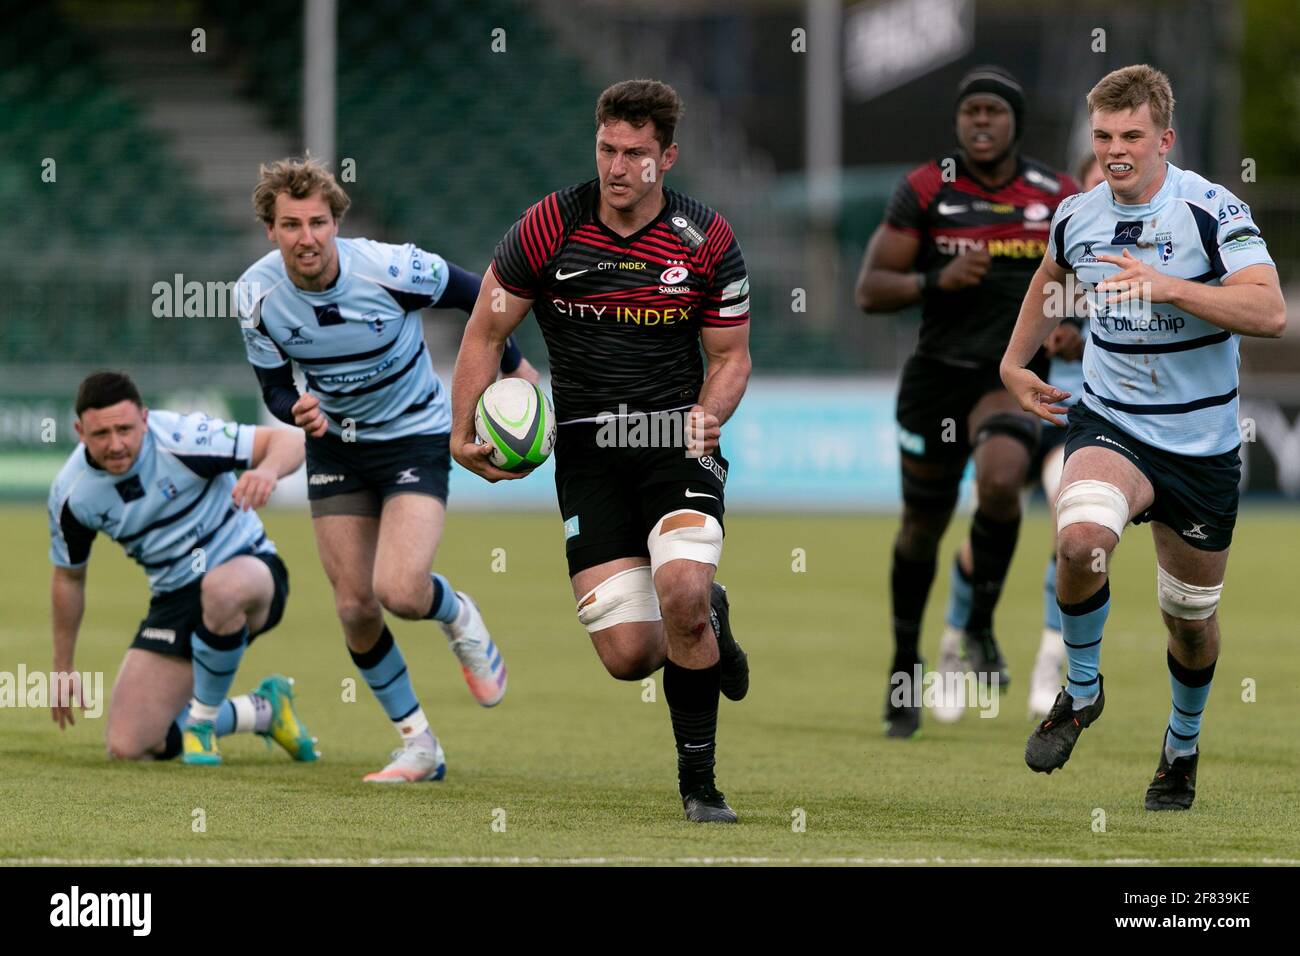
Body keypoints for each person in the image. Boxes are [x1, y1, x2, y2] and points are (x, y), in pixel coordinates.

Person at [450, 79, 752, 822]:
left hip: (673, 441)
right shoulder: (548, 226)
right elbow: (486, 332)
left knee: (676, 589)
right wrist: (461, 435)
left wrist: (707, 418)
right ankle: (709, 617)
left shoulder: (705, 239)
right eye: (607, 149)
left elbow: (733, 358)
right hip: (587, 451)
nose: (618, 167)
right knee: (629, 656)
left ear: (668, 156)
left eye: (636, 154)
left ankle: (700, 786)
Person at [1001, 64, 1286, 809]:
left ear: (1165, 138)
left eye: (1131, 136)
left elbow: (1270, 312)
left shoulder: (1212, 212)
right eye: (1103, 137)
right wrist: (1013, 361)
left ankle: (1180, 750)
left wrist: (1172, 288)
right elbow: (1050, 279)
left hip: (1201, 447)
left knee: (1189, 625)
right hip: (1111, 423)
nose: (1116, 150)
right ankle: (1082, 690)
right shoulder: (1079, 214)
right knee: (1079, 538)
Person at [236, 157, 538, 782]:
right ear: (271, 229)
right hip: (337, 447)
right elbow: (271, 386)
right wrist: (295, 408)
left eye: (318, 222)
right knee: (354, 607)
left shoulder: (393, 268)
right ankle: (419, 746)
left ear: (336, 222)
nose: (306, 237)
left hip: (413, 438)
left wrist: (512, 365)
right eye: (290, 224)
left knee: (399, 591)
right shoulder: (255, 296)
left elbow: (481, 297)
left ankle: (457, 613)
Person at [855, 66, 1080, 736]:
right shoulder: (928, 187)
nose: (981, 122)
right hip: (935, 382)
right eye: (970, 111)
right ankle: (904, 664)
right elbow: (871, 288)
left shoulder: (1055, 195)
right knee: (920, 532)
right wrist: (937, 278)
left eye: (994, 111)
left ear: (1015, 121)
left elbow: (1083, 279)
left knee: (1003, 482)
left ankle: (979, 623)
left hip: (1006, 380)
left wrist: (1070, 322)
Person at [49, 371, 316, 766]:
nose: (117, 444)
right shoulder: (72, 495)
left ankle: (203, 725)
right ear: (79, 431)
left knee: (223, 589)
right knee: (129, 746)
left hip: (251, 574)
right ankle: (263, 711)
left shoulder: (184, 438)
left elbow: (288, 441)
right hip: (175, 597)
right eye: (101, 434)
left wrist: (266, 471)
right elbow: (69, 578)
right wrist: (62, 667)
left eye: (125, 429)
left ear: (144, 418)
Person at [1025, 154, 1105, 718]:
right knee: (1072, 527)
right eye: (1098, 177)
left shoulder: (1168, 258)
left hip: (1145, 427)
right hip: (1068, 425)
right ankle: (1052, 661)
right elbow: (1034, 327)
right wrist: (1056, 342)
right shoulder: (1064, 259)